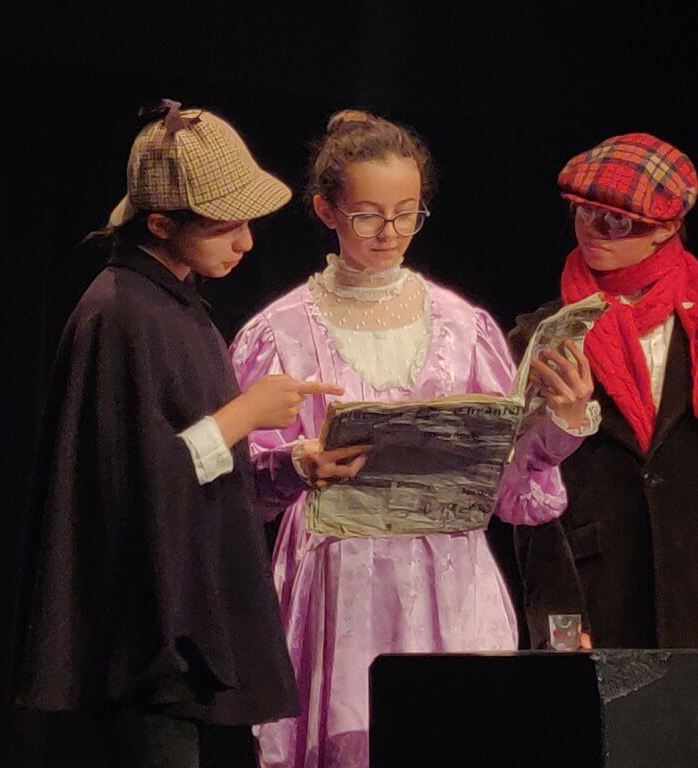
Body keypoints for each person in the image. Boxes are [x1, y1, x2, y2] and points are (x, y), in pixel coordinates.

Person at [229, 109, 597, 768]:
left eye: (407, 214)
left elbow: (510, 490)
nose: (390, 233)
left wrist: (559, 424)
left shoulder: (463, 327)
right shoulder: (280, 333)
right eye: (368, 215)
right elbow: (238, 487)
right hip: (341, 585)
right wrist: (296, 463)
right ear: (327, 211)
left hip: (452, 581)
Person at [11, 101, 351, 768]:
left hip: (186, 622)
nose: (245, 243)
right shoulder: (121, 314)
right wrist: (246, 413)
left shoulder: (174, 306)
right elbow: (129, 483)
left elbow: (200, 466)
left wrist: (292, 465)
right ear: (162, 224)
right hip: (144, 637)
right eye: (226, 227)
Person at [510, 132, 698, 651]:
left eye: (618, 220)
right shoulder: (543, 333)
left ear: (665, 227)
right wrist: (555, 615)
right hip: (600, 591)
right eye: (584, 211)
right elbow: (529, 483)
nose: (593, 229)